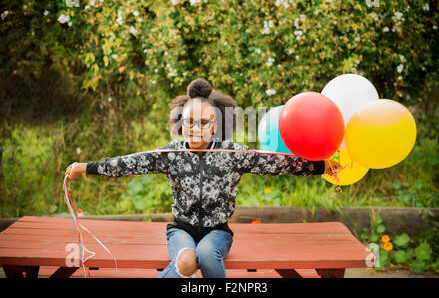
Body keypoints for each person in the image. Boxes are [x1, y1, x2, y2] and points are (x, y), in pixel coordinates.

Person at [65, 78, 341, 278]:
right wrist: (85, 167)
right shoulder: (169, 153)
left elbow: (276, 163)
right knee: (186, 261)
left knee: (207, 254)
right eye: (188, 122)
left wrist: (320, 166)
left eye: (203, 123)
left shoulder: (232, 153)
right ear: (180, 123)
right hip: (181, 230)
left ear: (215, 125)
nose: (195, 128)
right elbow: (127, 163)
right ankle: (184, 262)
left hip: (217, 232)